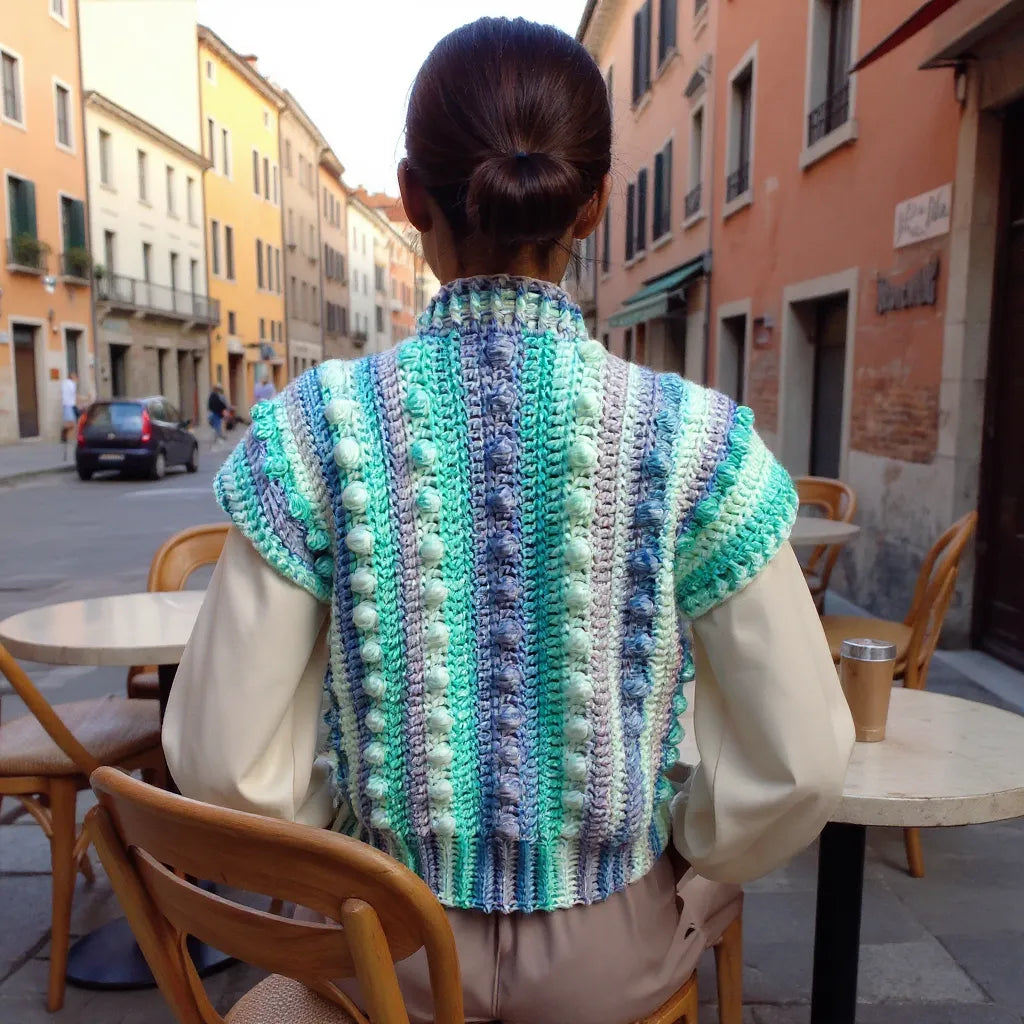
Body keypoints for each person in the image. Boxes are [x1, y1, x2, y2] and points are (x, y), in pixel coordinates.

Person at [165, 18, 854, 1024]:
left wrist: (349, 847)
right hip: (609, 951)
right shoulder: (698, 442)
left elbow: (220, 757)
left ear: (411, 198)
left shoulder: (312, 433)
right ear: (596, 206)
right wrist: (686, 860)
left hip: (381, 938)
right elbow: (801, 757)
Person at [60, 372, 78, 443]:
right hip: (69, 405)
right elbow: (74, 395)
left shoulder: (64, 383)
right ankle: (64, 434)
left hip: (67, 405)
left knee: (71, 423)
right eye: (76, 377)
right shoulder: (72, 384)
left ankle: (65, 437)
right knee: (72, 423)